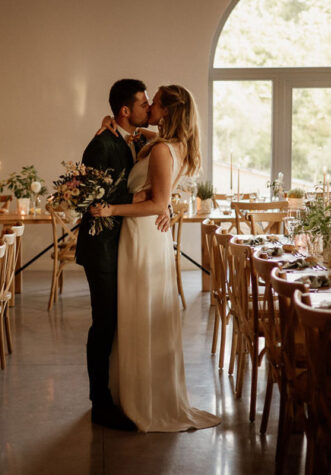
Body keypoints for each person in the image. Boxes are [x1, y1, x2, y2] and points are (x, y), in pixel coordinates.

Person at [91, 85, 221, 432]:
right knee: (136, 311)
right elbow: (142, 139)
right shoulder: (167, 143)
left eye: (155, 101)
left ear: (166, 111)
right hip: (141, 234)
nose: (148, 106)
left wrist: (109, 210)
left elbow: (155, 203)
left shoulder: (163, 150)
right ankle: (132, 394)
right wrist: (110, 121)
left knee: (140, 312)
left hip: (142, 234)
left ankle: (143, 400)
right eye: (145, 101)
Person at [75, 79, 170, 431]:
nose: (149, 109)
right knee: (104, 324)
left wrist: (164, 203)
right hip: (101, 249)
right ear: (126, 111)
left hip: (120, 246)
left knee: (114, 322)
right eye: (144, 103)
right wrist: (150, 203)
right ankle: (99, 403)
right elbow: (93, 201)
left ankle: (114, 392)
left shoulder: (129, 140)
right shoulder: (101, 145)